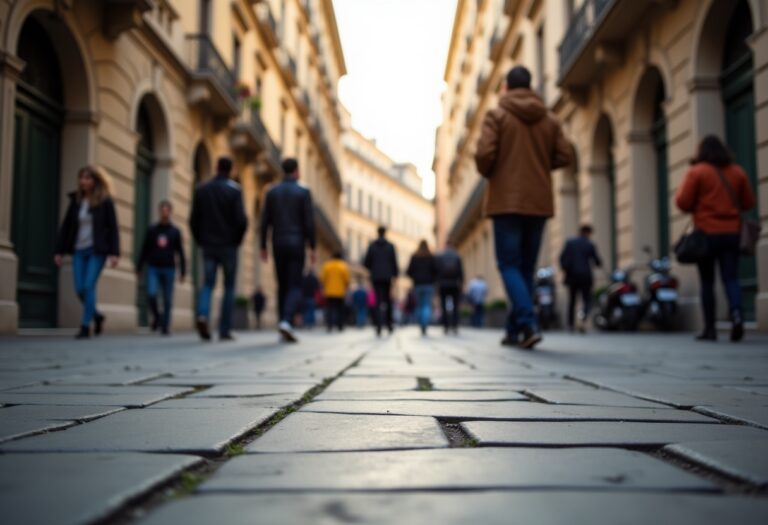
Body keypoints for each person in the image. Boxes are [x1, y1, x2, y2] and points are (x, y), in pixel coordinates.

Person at [474, 65, 572, 350]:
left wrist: (495, 169)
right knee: (525, 268)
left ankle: (528, 322)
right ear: (530, 87)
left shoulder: (497, 115)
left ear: (506, 88)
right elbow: (565, 155)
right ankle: (515, 329)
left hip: (506, 201)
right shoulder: (549, 119)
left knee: (508, 264)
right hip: (538, 201)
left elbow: (483, 155)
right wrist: (540, 164)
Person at [675, 135, 756, 342]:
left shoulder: (697, 172)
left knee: (707, 281)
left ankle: (709, 329)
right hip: (732, 233)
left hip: (706, 233)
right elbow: (748, 202)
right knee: (731, 278)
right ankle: (737, 315)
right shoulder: (737, 172)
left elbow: (682, 202)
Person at [54, 166, 120, 339]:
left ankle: (85, 326)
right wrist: (59, 251)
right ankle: (97, 315)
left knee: (88, 286)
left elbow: (113, 228)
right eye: (81, 177)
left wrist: (114, 253)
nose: (83, 181)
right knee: (79, 289)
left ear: (95, 181)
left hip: (97, 251)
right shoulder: (76, 201)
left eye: (87, 178)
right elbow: (66, 227)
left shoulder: (105, 201)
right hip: (78, 250)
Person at [189, 157, 248, 342]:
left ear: (216, 167)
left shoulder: (202, 189)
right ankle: (224, 330)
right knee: (229, 287)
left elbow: (193, 220)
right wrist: (236, 241)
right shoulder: (235, 190)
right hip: (229, 245)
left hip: (208, 245)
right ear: (231, 170)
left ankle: (203, 315)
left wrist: (201, 240)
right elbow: (242, 221)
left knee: (208, 283)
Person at [260, 158, 316, 343]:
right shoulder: (303, 192)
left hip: (278, 241)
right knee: (294, 285)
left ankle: (283, 322)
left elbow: (265, 221)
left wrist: (262, 245)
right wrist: (312, 247)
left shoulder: (272, 192)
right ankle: (286, 321)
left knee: (282, 284)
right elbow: (309, 222)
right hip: (297, 242)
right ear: (297, 171)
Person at [136, 200, 186, 335]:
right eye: (162, 210)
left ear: (170, 212)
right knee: (151, 294)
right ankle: (157, 317)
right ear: (159, 211)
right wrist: (139, 266)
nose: (164, 212)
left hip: (169, 268)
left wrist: (183, 271)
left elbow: (180, 252)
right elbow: (144, 248)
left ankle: (165, 326)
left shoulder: (175, 231)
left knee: (168, 299)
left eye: (167, 210)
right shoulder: (152, 230)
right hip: (153, 267)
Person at [559, 225, 602, 333]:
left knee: (572, 301)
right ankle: (583, 319)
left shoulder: (570, 243)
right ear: (587, 233)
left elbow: (562, 258)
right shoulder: (589, 244)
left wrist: (566, 269)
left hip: (572, 276)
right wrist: (598, 264)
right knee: (586, 300)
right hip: (585, 276)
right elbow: (597, 260)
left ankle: (571, 325)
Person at [364, 226, 399, 336]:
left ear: (377, 233)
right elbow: (394, 262)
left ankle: (378, 325)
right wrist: (395, 274)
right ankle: (389, 325)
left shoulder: (372, 246)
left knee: (378, 301)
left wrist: (373, 269)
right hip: (387, 277)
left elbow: (366, 262)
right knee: (387, 301)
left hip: (376, 277)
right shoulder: (390, 246)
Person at [407, 240, 439, 336]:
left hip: (418, 284)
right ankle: (425, 324)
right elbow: (436, 271)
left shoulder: (414, 257)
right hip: (428, 284)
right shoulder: (431, 257)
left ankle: (421, 324)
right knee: (426, 305)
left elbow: (409, 271)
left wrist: (415, 277)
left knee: (419, 305)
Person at [436, 242, 465, 334]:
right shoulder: (457, 256)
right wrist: (461, 283)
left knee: (444, 306)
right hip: (454, 284)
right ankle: (455, 326)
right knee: (455, 306)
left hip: (443, 284)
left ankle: (446, 326)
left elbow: (437, 272)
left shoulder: (440, 257)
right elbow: (461, 272)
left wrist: (437, 284)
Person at [320, 252, 351, 332]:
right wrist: (346, 288)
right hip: (340, 292)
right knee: (340, 309)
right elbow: (347, 279)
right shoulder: (343, 266)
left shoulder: (327, 265)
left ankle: (329, 326)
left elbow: (322, 278)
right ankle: (340, 326)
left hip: (329, 291)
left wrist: (323, 288)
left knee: (329, 309)